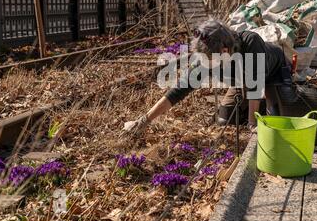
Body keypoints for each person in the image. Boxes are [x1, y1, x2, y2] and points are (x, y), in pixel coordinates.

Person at [122, 19, 298, 139]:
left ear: (225, 50)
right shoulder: (205, 60)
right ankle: (244, 109)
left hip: (273, 74)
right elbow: (178, 91)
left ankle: (264, 108)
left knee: (276, 118)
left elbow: (256, 85)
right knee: (225, 120)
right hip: (243, 81)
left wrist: (253, 124)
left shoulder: (251, 42)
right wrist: (142, 121)